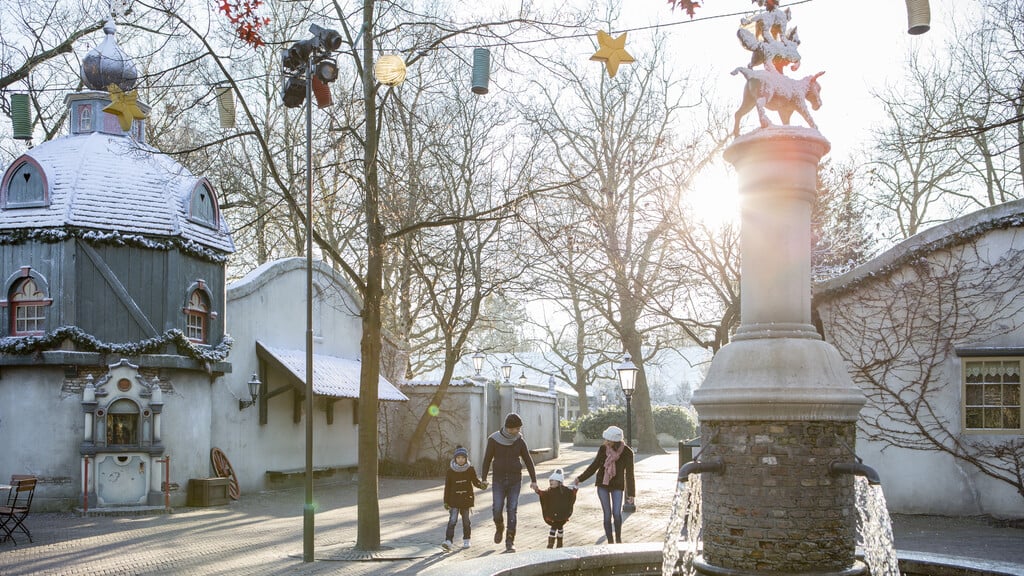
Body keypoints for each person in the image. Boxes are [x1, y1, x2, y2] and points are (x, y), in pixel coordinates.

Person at [480, 412, 539, 553]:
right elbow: (487, 459)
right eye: (516, 428)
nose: (518, 431)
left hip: (515, 480)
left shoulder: (519, 440)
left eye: (519, 428)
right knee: (497, 510)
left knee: (512, 510)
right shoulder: (493, 439)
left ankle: (510, 541)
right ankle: (499, 526)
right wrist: (483, 478)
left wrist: (534, 480)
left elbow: (528, 460)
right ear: (508, 427)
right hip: (498, 480)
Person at [574, 425, 635, 544]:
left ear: (615, 441)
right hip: (603, 484)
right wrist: (580, 478)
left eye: (608, 440)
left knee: (616, 513)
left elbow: (630, 474)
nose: (605, 442)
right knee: (607, 514)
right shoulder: (603, 449)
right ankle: (610, 542)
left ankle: (618, 539)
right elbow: (594, 465)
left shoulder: (627, 452)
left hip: (617, 485)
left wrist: (631, 494)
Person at [442, 445, 487, 551]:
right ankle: (448, 541)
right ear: (455, 459)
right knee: (452, 520)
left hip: (466, 499)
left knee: (466, 521)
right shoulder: (450, 471)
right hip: (454, 500)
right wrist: (446, 501)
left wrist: (481, 485)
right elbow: (447, 487)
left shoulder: (470, 469)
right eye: (458, 458)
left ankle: (466, 539)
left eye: (463, 458)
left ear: (466, 458)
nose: (460, 460)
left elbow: (475, 481)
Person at [534, 467, 577, 548]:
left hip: (562, 515)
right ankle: (551, 544)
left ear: (559, 482)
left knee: (560, 528)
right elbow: (543, 495)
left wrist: (575, 488)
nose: (551, 482)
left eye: (553, 480)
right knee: (554, 528)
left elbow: (572, 495)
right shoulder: (549, 491)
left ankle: (559, 543)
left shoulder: (565, 491)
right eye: (550, 480)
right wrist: (537, 491)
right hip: (553, 515)